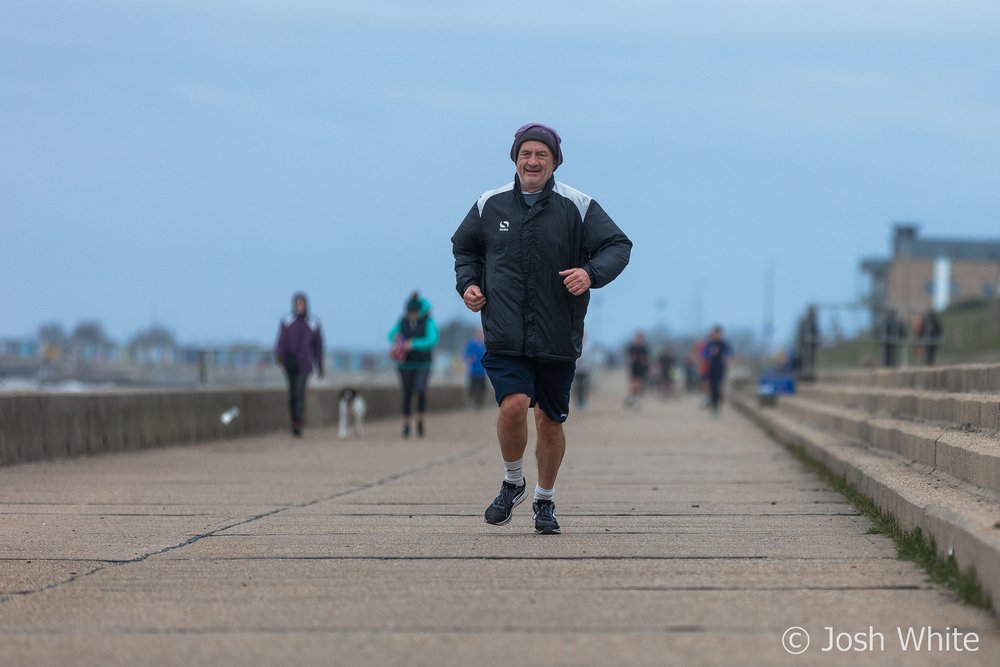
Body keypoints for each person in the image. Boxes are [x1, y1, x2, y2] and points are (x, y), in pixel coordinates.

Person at [452, 122, 632, 534]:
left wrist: (589, 273)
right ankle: (512, 481)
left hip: (556, 332)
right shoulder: (489, 204)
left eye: (541, 155)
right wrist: (469, 284)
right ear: (515, 158)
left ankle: (544, 500)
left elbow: (618, 246)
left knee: (550, 420)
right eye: (525, 154)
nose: (532, 162)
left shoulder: (578, 205)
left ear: (554, 162)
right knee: (513, 404)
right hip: (504, 331)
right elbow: (465, 249)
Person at [388, 292, 439, 438]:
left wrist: (413, 344)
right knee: (407, 393)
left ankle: (420, 422)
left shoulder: (428, 322)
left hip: (423, 364)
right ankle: (406, 425)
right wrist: (397, 339)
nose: (411, 316)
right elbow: (391, 335)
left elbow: (432, 340)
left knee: (421, 391)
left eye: (414, 313)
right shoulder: (401, 321)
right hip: (404, 364)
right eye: (409, 313)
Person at [274, 292, 324, 437]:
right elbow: (281, 341)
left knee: (299, 393)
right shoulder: (286, 320)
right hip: (289, 362)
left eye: (302, 304)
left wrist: (320, 365)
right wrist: (279, 355)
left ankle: (298, 423)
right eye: (298, 304)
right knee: (292, 394)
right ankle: (294, 421)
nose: (300, 307)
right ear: (294, 305)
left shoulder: (314, 323)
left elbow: (318, 346)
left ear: (306, 305)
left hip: (305, 364)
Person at [701, 325, 732, 415]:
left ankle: (717, 406)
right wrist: (710, 354)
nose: (717, 335)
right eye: (716, 333)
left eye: (719, 333)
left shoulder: (724, 344)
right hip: (711, 367)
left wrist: (726, 357)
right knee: (713, 387)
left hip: (721, 367)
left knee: (718, 387)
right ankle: (713, 406)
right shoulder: (710, 344)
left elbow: (730, 353)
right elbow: (704, 355)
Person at [624, 331, 650, 410]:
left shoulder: (644, 348)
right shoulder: (632, 347)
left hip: (641, 368)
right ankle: (633, 398)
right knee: (634, 384)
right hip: (634, 368)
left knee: (638, 384)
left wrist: (645, 363)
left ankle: (634, 399)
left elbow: (646, 359)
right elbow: (630, 358)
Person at [463, 330, 487, 409]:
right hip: (473, 372)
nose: (480, 336)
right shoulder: (471, 344)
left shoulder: (484, 345)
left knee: (482, 389)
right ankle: (470, 403)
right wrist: (469, 359)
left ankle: (479, 404)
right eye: (479, 335)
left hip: (482, 372)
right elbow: (465, 355)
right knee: (472, 388)